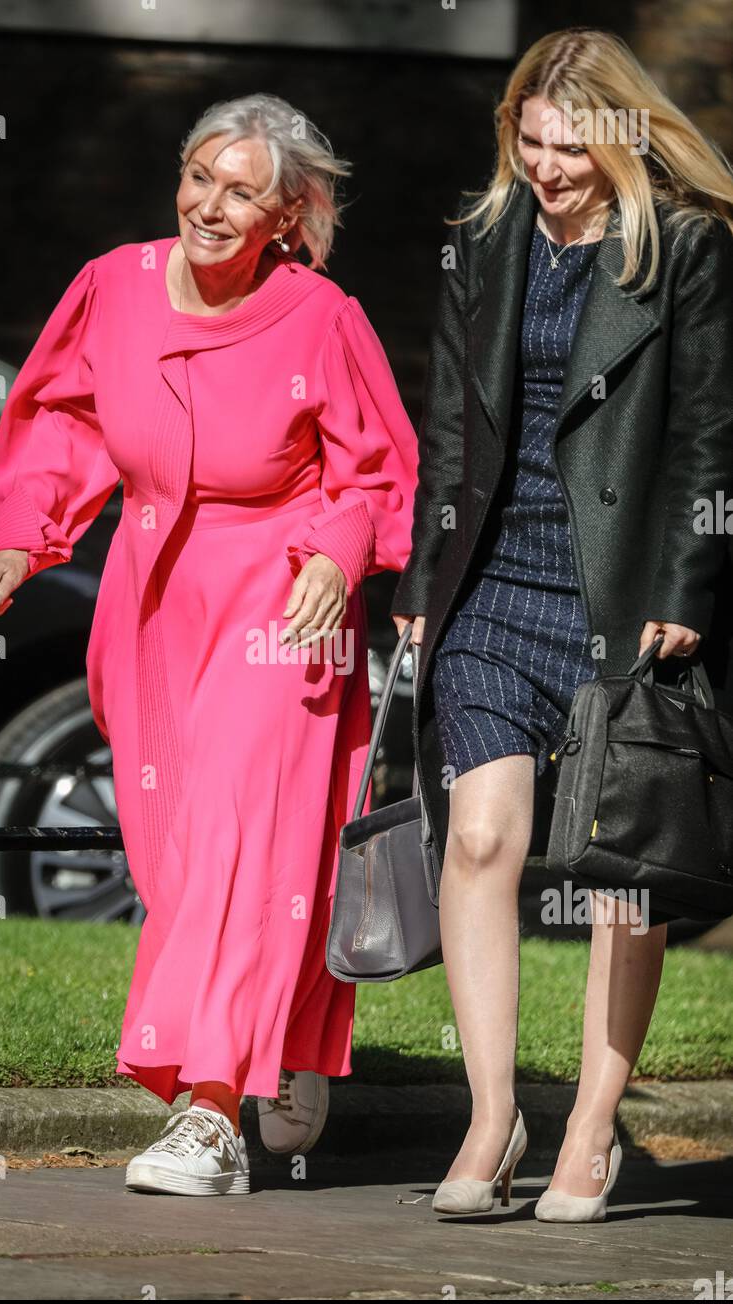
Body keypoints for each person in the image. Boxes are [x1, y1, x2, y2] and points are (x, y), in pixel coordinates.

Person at [0, 93, 418, 1196]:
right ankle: (287, 1043)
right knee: (180, 865)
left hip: (281, 604)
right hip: (152, 602)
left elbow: (376, 469)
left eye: (242, 192)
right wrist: (25, 540)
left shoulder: (319, 316)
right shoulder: (112, 286)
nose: (210, 206)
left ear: (289, 214)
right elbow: (63, 419)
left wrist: (334, 551)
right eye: (198, 178)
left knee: (234, 845)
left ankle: (209, 1113)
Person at [392, 27, 733, 1221]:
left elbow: (707, 430)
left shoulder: (681, 251)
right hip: (490, 580)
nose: (547, 168)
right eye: (528, 143)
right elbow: (449, 426)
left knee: (613, 881)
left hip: (617, 593)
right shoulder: (481, 244)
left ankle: (591, 1126)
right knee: (481, 839)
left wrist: (684, 591)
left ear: (622, 138)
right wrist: (419, 585)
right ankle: (493, 1115)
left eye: (571, 148)